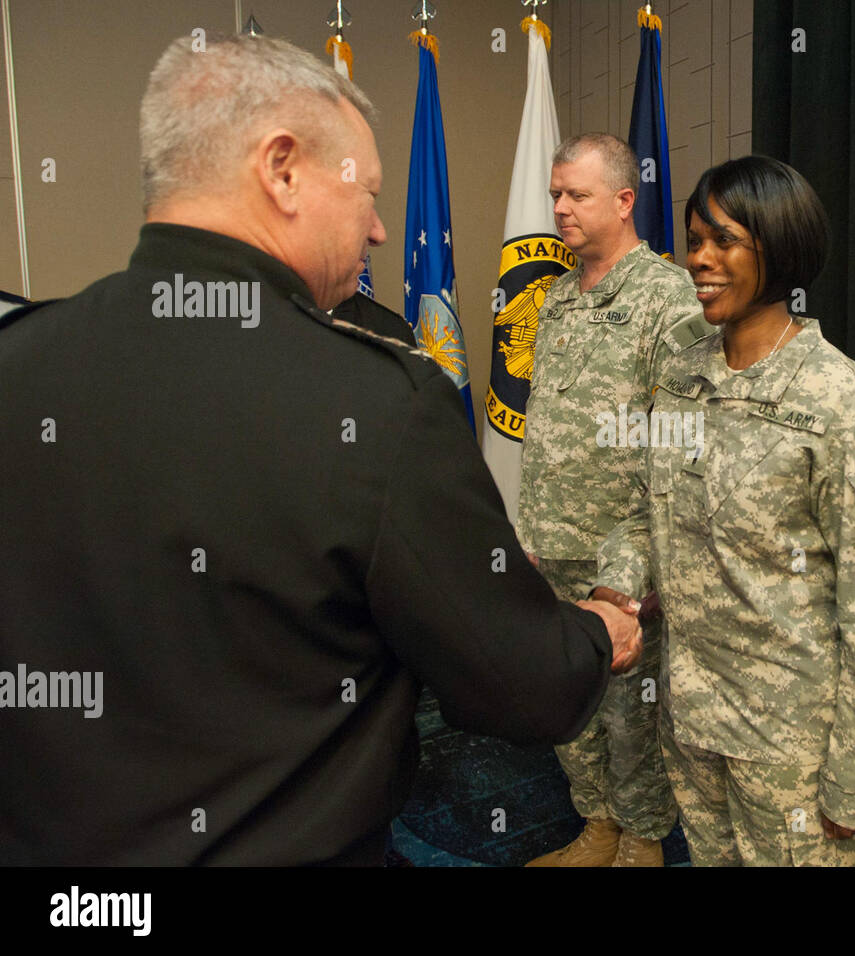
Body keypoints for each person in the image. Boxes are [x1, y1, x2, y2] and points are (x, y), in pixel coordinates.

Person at [0, 34, 642, 866]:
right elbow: (519, 685)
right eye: (367, 193)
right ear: (283, 169)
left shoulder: (20, 360)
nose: (379, 228)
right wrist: (597, 632)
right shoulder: (377, 404)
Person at [593, 156, 855, 866]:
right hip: (690, 718)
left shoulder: (835, 399)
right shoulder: (682, 376)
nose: (700, 261)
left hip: (792, 747)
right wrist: (616, 591)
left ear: (779, 249)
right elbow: (639, 509)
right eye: (694, 241)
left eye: (725, 241)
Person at [519, 133, 709, 867]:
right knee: (571, 704)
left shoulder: (669, 299)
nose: (560, 208)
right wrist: (529, 528)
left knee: (633, 713)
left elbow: (682, 446)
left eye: (577, 195)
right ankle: (596, 827)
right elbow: (548, 426)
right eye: (555, 195)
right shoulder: (560, 299)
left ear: (625, 201)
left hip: (622, 555)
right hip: (552, 542)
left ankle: (643, 840)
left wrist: (644, 570)